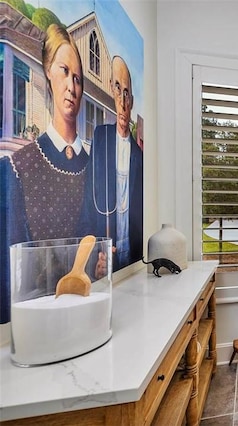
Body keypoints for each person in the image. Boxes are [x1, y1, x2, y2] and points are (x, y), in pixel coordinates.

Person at [0, 24, 86, 323]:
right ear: (48, 72)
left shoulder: (96, 165)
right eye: (64, 71)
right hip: (38, 320)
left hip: (87, 308)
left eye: (78, 78)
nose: (72, 87)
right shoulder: (18, 166)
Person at [79, 55, 143, 275]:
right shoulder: (101, 137)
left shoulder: (139, 155)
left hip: (132, 257)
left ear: (132, 101)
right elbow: (89, 200)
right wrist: (96, 248)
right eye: (118, 88)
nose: (123, 101)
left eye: (127, 93)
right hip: (106, 254)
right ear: (110, 89)